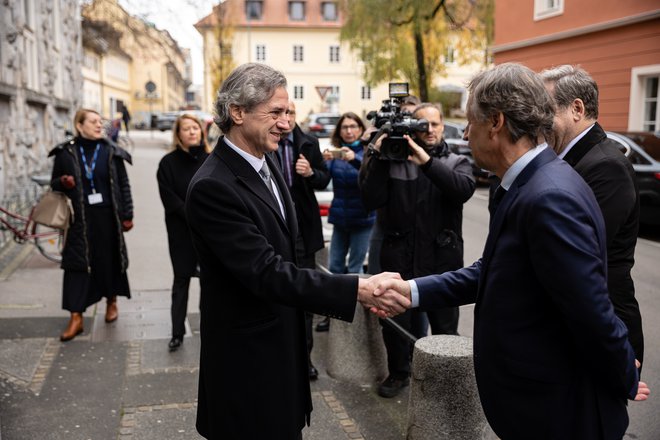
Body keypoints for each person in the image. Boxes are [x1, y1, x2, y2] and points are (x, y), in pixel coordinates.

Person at [371, 63, 649, 439]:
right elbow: (494, 269)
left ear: (496, 122)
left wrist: (624, 375)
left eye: (470, 121)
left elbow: (591, 310)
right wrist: (412, 290)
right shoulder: (532, 182)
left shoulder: (549, 195)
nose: (465, 133)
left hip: (558, 414)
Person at [185, 63, 408, 439]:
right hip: (248, 362)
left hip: (280, 348)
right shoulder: (213, 186)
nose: (286, 123)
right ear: (237, 112)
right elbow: (267, 272)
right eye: (275, 112)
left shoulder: (266, 159)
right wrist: (356, 287)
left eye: (288, 112)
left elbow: (291, 251)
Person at [359, 102, 475, 398]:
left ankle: (450, 379)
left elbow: (462, 190)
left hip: (441, 260)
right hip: (398, 257)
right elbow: (370, 198)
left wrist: (426, 163)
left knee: (445, 327)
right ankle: (399, 373)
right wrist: (378, 154)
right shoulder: (394, 161)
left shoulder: (454, 162)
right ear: (412, 127)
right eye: (424, 125)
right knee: (396, 324)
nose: (432, 130)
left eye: (436, 124)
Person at [540, 65, 644, 370]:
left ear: (576, 109)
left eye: (546, 110)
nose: (538, 120)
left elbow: (577, 252)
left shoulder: (607, 165)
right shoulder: (573, 157)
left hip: (604, 327)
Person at [49, 108, 133, 342]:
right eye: (94, 122)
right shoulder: (66, 153)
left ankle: (111, 301)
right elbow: (53, 184)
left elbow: (124, 185)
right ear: (79, 125)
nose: (99, 126)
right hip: (79, 220)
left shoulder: (110, 150)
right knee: (77, 265)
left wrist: (128, 214)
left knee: (109, 260)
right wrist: (63, 182)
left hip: (108, 217)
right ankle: (76, 317)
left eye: (100, 122)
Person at [271, 100, 331, 379]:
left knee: (305, 297)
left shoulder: (308, 143)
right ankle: (281, 354)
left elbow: (323, 178)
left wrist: (310, 173)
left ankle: (305, 358)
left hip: (303, 232)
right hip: (275, 230)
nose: (287, 118)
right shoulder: (267, 142)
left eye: (291, 113)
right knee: (278, 293)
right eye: (282, 112)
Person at [316, 113, 376, 332]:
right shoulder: (336, 154)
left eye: (353, 126)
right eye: (344, 127)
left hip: (363, 218)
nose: (349, 131)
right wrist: (322, 163)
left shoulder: (367, 152)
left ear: (360, 129)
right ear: (339, 131)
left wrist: (355, 159)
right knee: (334, 268)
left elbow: (373, 177)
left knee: (355, 269)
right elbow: (322, 183)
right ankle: (331, 316)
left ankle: (353, 321)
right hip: (340, 217)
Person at [157, 114, 211, 352]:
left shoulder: (211, 160)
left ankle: (209, 328)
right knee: (181, 280)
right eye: (186, 129)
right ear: (178, 134)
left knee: (209, 283)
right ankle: (177, 332)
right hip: (180, 232)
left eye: (195, 128)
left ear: (201, 132)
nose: (192, 132)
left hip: (209, 233)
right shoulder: (168, 163)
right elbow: (169, 199)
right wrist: (195, 215)